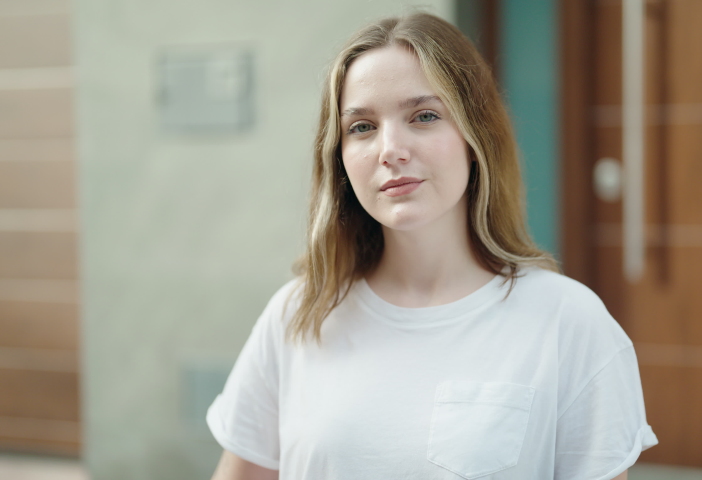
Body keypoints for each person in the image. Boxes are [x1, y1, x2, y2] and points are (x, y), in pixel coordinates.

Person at [207, 12, 657, 480]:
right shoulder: (299, 314)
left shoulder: (567, 322)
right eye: (361, 127)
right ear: (338, 157)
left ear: (475, 136)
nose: (391, 148)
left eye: (424, 116)